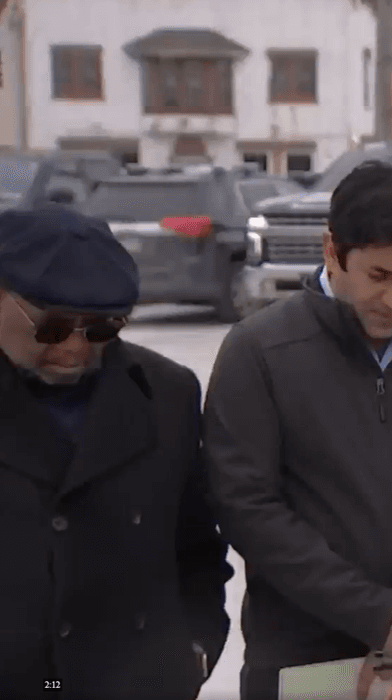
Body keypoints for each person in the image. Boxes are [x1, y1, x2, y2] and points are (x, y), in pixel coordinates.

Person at [203, 161, 392, 700]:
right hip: (304, 655)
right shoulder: (259, 351)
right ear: (332, 250)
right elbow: (246, 508)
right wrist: (376, 613)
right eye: (379, 277)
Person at [0, 208, 232, 700]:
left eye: (102, 330)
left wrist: (194, 650)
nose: (75, 350)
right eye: (52, 328)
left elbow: (195, 549)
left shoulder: (167, 393)